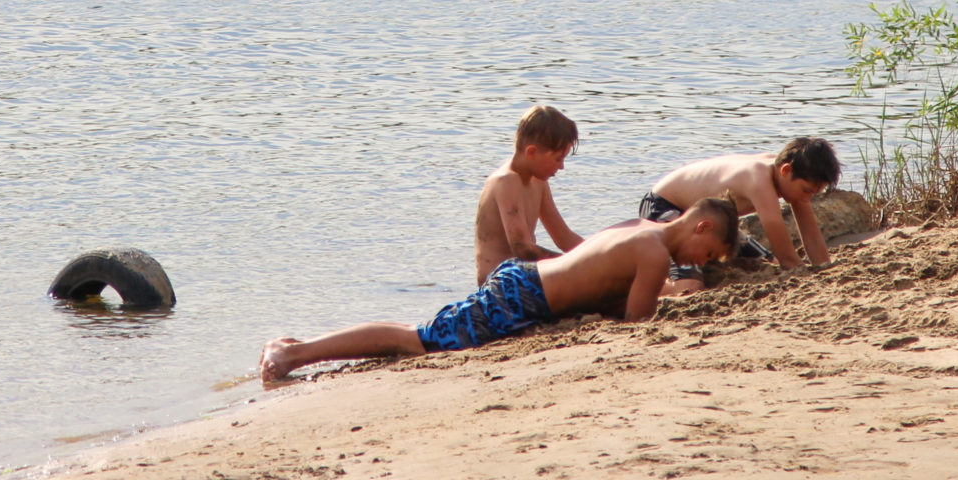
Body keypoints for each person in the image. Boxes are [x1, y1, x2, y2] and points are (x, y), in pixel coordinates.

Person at [259, 198, 740, 382]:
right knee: (415, 339)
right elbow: (637, 322)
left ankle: (298, 350)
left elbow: (602, 284)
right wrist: (674, 294)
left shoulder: (640, 229)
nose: (706, 264)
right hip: (522, 295)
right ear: (700, 227)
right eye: (712, 253)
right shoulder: (655, 255)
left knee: (420, 337)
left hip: (525, 285)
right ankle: (294, 352)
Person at [640, 137, 840, 294]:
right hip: (666, 207)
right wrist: (802, 273)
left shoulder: (788, 176)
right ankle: (633, 289)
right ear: (786, 170)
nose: (808, 198)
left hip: (713, 222)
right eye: (806, 191)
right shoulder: (758, 178)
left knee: (765, 263)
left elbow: (812, 237)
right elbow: (786, 257)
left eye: (815, 193)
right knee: (689, 287)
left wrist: (824, 270)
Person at [472, 104, 583, 285]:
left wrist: (598, 254)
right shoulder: (506, 181)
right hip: (501, 283)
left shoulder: (539, 182)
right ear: (531, 152)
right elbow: (522, 249)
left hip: (523, 273)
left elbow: (564, 237)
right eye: (558, 159)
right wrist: (573, 264)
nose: (561, 166)